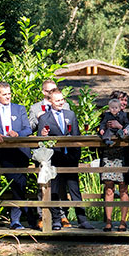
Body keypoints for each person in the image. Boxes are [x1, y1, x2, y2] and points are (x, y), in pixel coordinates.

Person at [0, 82, 35, 229]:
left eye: (9, 94)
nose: (8, 97)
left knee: (20, 185)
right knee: (15, 183)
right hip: (3, 153)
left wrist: (17, 134)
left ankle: (19, 219)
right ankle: (24, 217)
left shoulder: (19, 109)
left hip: (20, 151)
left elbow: (28, 129)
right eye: (4, 94)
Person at [35, 88, 87, 230]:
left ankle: (83, 220)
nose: (60, 102)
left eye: (62, 99)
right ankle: (57, 220)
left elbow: (77, 136)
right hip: (55, 158)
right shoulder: (45, 118)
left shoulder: (70, 114)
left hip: (70, 157)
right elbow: (41, 141)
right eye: (57, 100)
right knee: (55, 190)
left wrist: (76, 155)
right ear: (50, 101)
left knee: (74, 189)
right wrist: (43, 135)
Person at [97, 95, 129, 231]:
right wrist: (102, 130)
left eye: (124, 101)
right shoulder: (105, 115)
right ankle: (109, 221)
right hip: (109, 154)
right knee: (109, 188)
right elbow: (99, 128)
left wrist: (120, 126)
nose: (122, 104)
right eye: (119, 101)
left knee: (123, 188)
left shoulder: (126, 115)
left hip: (123, 156)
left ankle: (123, 221)